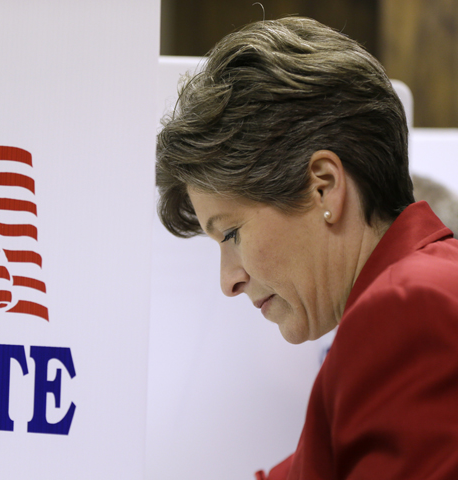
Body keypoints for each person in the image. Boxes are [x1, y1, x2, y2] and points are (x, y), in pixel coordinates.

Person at [156, 17, 458, 480]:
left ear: (324, 187)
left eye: (231, 234)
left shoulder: (408, 308)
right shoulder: (417, 290)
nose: (228, 281)